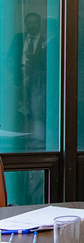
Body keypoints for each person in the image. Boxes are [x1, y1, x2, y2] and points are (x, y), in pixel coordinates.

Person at [5, 12, 47, 150]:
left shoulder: (45, 41)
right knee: (16, 111)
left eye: (35, 22)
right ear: (25, 25)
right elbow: (9, 59)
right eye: (29, 23)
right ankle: (19, 139)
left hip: (37, 84)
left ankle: (35, 139)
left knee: (35, 111)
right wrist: (18, 73)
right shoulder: (18, 38)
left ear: (39, 24)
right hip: (17, 82)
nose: (32, 25)